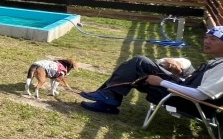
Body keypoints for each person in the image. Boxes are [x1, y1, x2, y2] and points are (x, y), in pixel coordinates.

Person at [79, 26, 223, 114]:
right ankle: (107, 97)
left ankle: (108, 98)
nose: (206, 41)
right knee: (141, 63)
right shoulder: (217, 61)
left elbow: (199, 95)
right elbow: (200, 81)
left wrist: (161, 83)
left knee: (139, 63)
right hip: (181, 89)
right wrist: (182, 69)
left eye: (213, 39)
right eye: (206, 37)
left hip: (184, 100)